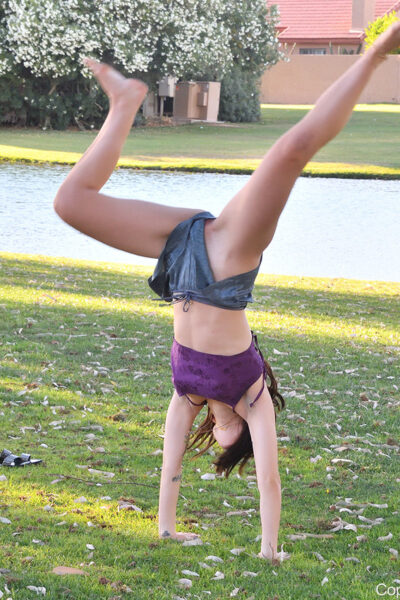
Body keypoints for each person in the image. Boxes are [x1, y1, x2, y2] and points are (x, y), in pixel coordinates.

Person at [53, 22, 400, 564]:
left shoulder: (187, 393)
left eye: (211, 434)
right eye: (222, 438)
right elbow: (270, 481)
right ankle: (378, 54)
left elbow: (169, 464)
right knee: (291, 150)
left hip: (180, 250)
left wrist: (166, 529)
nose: (212, 434)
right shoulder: (254, 398)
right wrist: (270, 550)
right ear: (234, 431)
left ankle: (125, 100)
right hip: (231, 257)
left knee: (69, 203)